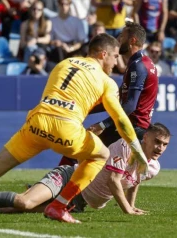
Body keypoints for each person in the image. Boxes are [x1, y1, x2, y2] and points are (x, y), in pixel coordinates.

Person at [0, 33, 148, 225]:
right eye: (115, 57)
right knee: (102, 154)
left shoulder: (64, 63)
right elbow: (120, 117)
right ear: (103, 54)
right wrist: (137, 150)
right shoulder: (106, 81)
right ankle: (59, 206)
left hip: (36, 123)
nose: (116, 63)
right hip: (66, 129)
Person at [0, 123, 171, 215]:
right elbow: (113, 181)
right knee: (24, 202)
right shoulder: (127, 147)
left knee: (13, 210)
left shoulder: (154, 167)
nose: (160, 147)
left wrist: (133, 202)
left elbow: (135, 180)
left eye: (165, 145)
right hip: (70, 179)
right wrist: (127, 209)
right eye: (157, 142)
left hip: (80, 202)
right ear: (146, 138)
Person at [59, 21, 159, 166]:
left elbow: (129, 106)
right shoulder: (139, 63)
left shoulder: (138, 66)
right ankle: (60, 186)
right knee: (95, 161)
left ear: (132, 40)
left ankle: (53, 185)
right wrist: (85, 110)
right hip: (130, 125)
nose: (118, 40)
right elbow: (115, 100)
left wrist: (103, 125)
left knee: (78, 148)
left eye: (122, 36)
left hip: (131, 127)